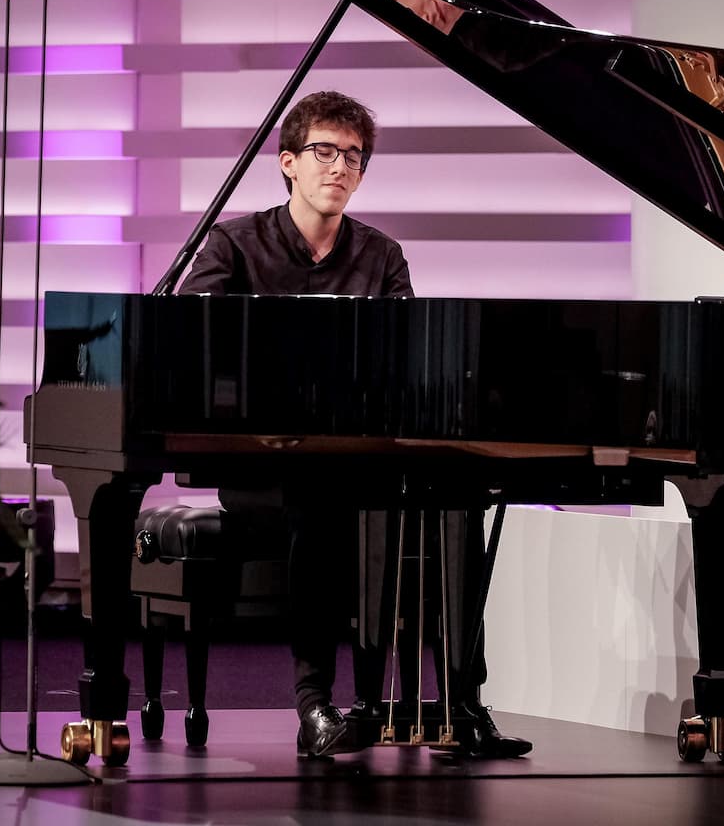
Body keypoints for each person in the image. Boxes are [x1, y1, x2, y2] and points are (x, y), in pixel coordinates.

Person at [179, 90, 527, 760]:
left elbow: (409, 362)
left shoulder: (381, 255)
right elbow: (194, 344)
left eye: (354, 157)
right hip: (258, 463)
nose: (340, 167)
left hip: (355, 455)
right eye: (325, 152)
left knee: (460, 499)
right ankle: (315, 705)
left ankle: (461, 704)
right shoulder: (233, 245)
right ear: (287, 162)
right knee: (320, 500)